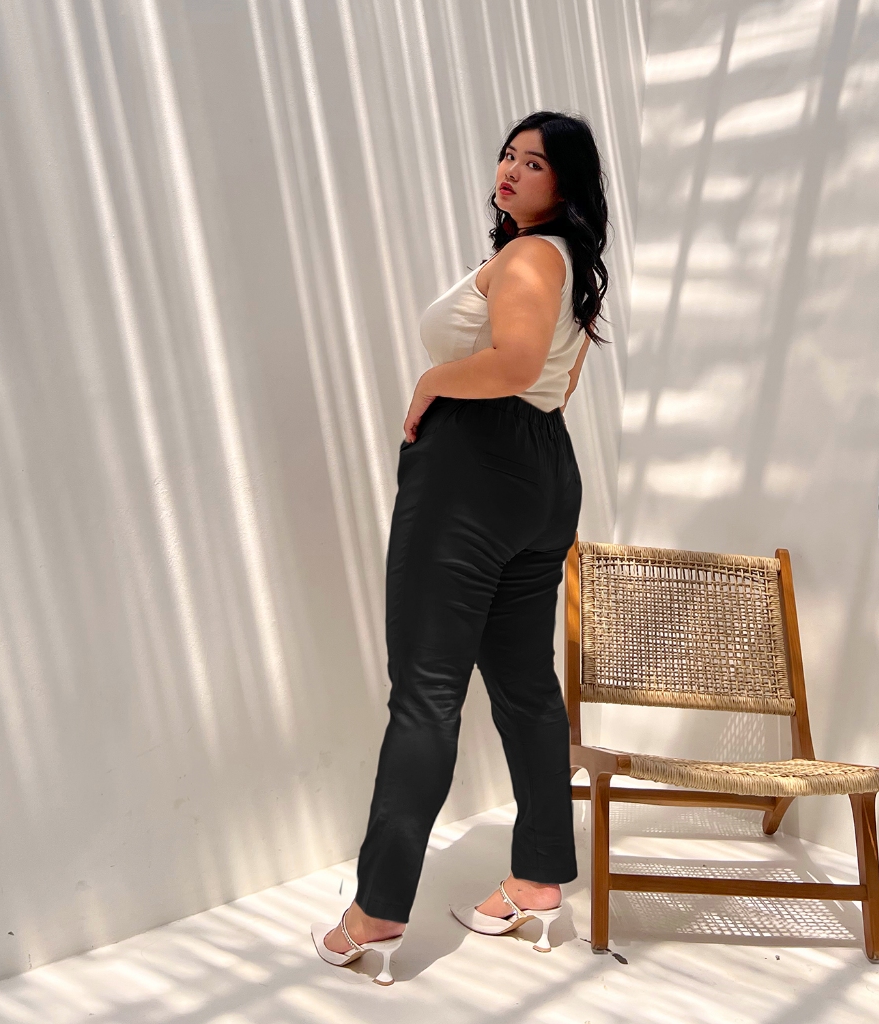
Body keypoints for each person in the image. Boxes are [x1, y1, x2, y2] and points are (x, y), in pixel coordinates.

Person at [313, 110, 611, 984]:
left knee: (427, 692)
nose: (511, 170)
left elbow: (514, 365)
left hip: (471, 476)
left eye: (535, 163)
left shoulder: (527, 258)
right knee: (523, 684)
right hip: (544, 473)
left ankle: (376, 911)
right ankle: (540, 876)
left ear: (567, 184)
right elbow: (556, 384)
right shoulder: (570, 266)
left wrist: (432, 381)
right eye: (508, 155)